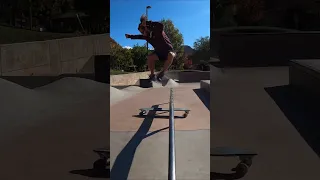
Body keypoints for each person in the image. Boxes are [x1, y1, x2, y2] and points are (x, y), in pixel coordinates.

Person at [125, 15, 175, 81]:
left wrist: (147, 23)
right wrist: (130, 36)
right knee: (150, 57)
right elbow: (138, 37)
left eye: (142, 32)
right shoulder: (146, 37)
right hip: (159, 53)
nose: (142, 34)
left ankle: (162, 73)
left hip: (168, 50)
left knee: (171, 55)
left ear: (146, 28)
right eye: (141, 32)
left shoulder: (157, 31)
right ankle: (152, 75)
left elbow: (161, 25)